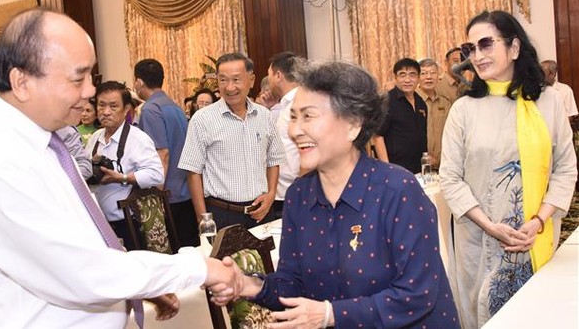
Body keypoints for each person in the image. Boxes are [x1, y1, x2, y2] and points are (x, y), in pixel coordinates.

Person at [0, 8, 241, 328]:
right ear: (22, 81)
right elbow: (80, 274)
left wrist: (137, 285)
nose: (90, 91)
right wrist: (197, 268)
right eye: (78, 78)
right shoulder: (1, 162)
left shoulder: (40, 142)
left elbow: (84, 240)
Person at [209, 61, 460, 328]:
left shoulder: (398, 191)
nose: (294, 130)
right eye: (293, 117)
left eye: (308, 116)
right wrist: (249, 285)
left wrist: (331, 314)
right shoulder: (299, 196)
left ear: (353, 125)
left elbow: (417, 295)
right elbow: (293, 283)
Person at [440, 10, 577, 328]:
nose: (476, 55)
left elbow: (565, 168)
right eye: (470, 49)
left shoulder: (549, 102)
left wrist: (539, 220)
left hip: (536, 236)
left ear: (514, 48)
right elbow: (450, 177)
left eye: (485, 44)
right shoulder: (464, 109)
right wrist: (489, 225)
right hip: (479, 238)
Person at [178, 52, 286, 230]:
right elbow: (193, 172)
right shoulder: (202, 119)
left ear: (251, 80)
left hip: (261, 211)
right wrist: (203, 221)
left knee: (265, 259)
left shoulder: (264, 116)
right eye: (223, 80)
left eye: (236, 79)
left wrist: (271, 194)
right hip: (222, 214)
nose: (229, 87)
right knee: (225, 259)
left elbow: (273, 160)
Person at [86, 81, 164, 250]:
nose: (106, 112)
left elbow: (156, 174)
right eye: (101, 105)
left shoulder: (138, 139)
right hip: (100, 224)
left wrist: (121, 178)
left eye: (113, 106)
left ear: (126, 108)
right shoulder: (95, 138)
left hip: (128, 224)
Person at [134, 58, 199, 248]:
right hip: (185, 190)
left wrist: (156, 196)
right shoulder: (174, 106)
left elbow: (162, 154)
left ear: (139, 82)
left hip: (168, 195)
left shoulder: (150, 109)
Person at [265, 51, 308, 218]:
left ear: (278, 75)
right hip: (283, 192)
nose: (268, 80)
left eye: (269, 74)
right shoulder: (284, 105)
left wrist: (302, 187)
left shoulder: (299, 104)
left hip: (296, 192)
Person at [373, 57, 428, 174]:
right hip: (395, 169)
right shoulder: (387, 100)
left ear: (418, 78)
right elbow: (378, 136)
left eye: (412, 75)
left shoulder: (421, 102)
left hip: (418, 169)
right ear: (395, 78)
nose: (407, 80)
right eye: (402, 75)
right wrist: (387, 168)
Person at [417, 58, 452, 169]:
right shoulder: (412, 101)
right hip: (417, 164)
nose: (429, 77)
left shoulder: (445, 103)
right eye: (423, 73)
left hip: (443, 165)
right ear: (417, 77)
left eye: (433, 73)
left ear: (438, 77)